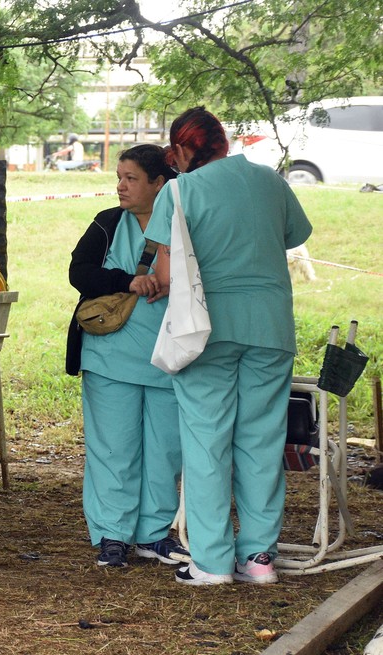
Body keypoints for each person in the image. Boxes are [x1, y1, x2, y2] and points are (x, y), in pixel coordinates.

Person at [144, 107, 312, 585]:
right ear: (223, 141)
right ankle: (259, 559)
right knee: (261, 439)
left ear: (180, 150)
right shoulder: (273, 182)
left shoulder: (178, 191)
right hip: (271, 326)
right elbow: (292, 237)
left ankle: (212, 561)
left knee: (206, 440)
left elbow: (166, 274)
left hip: (206, 330)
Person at [67, 144, 189, 569]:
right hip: (110, 355)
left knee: (165, 450)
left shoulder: (184, 222)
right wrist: (129, 281)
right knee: (112, 448)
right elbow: (78, 272)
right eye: (119, 176)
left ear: (159, 183)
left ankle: (153, 535)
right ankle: (111, 535)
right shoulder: (108, 222)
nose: (120, 186)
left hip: (169, 353)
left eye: (131, 178)